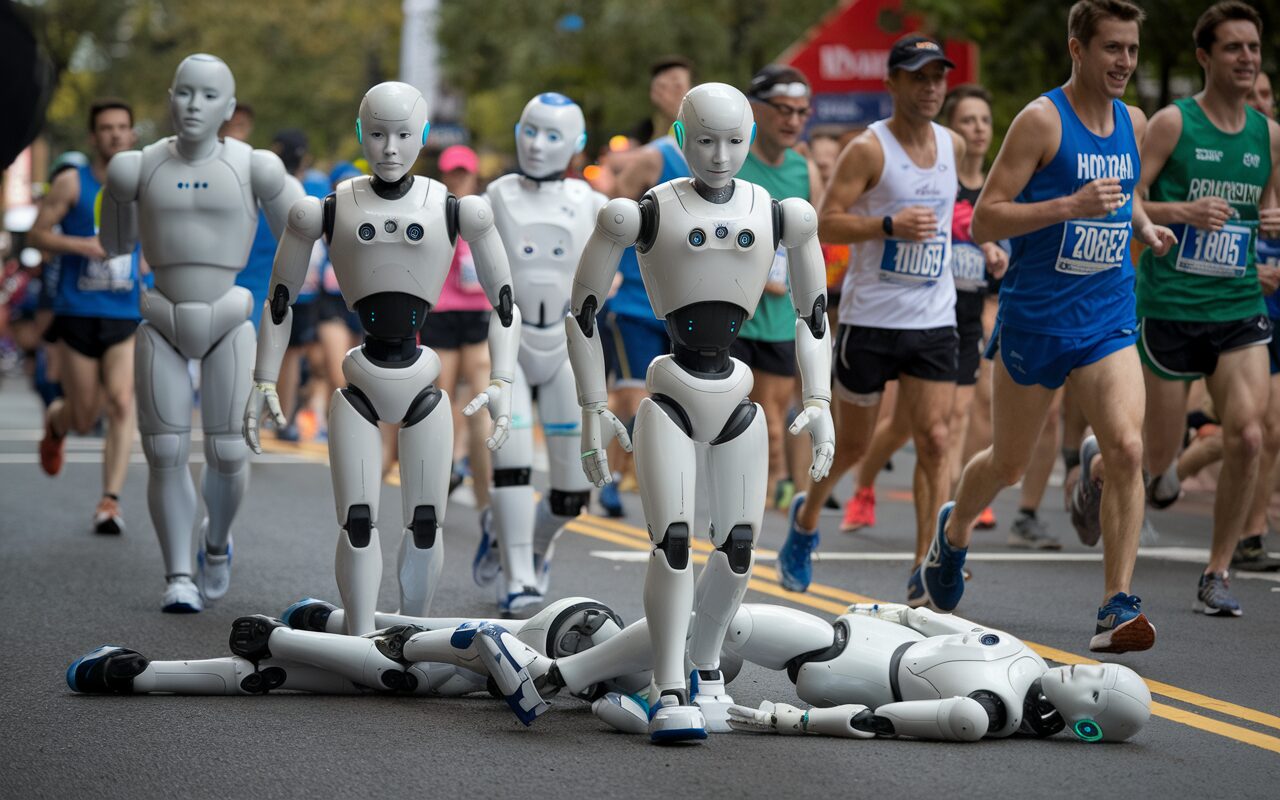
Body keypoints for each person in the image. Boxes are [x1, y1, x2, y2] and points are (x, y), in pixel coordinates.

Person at [565, 82, 834, 742]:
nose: (719, 155)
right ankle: (667, 684)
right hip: (672, 396)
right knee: (674, 542)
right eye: (705, 140)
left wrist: (820, 398)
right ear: (682, 138)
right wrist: (594, 403)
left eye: (734, 141)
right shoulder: (642, 213)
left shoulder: (781, 213)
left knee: (740, 548)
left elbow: (814, 314)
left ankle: (706, 664)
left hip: (734, 396)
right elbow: (584, 310)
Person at [916, 0, 1177, 654]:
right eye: (1112, 48)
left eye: (1132, 50)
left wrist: (1143, 225)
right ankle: (952, 534)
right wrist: (1068, 205)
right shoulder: (1040, 122)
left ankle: (1115, 606)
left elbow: (1128, 192)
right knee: (1006, 464)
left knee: (1125, 447)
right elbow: (984, 222)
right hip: (1036, 320)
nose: (1124, 62)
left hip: (1109, 314)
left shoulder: (1134, 121)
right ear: (1078, 48)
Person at [242, 81, 518, 636]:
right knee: (358, 521)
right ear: (360, 135)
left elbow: (504, 302)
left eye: (403, 135)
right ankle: (362, 631)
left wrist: (504, 378)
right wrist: (263, 377)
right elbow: (280, 299)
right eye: (378, 134)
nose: (390, 147)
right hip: (360, 379)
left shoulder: (457, 208)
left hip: (422, 378)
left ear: (422, 138)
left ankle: (412, 632)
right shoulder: (322, 209)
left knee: (425, 520)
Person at [99, 55, 303, 613]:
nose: (193, 106)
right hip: (161, 314)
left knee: (228, 452)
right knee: (164, 451)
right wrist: (119, 195)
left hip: (228, 316)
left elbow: (305, 230)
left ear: (230, 108)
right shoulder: (138, 166)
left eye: (208, 96)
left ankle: (216, 543)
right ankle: (178, 573)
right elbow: (114, 245)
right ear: (169, 98)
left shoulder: (255, 166)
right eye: (184, 93)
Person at [776, 35, 965, 597]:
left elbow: (962, 209)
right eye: (919, 76)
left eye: (938, 76)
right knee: (853, 446)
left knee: (934, 438)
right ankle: (807, 520)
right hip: (872, 318)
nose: (931, 87)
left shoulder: (953, 145)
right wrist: (887, 226)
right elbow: (825, 223)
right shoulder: (868, 149)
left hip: (934, 316)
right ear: (893, 83)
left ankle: (925, 568)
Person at [1134, 2, 1280, 614]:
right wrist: (1182, 213)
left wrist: (1272, 220)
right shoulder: (1173, 123)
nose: (1246, 58)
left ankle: (1218, 570)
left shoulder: (1268, 135)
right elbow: (1132, 200)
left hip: (1238, 305)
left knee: (1248, 435)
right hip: (1170, 305)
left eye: (1253, 47)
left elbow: (1265, 211)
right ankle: (1102, 468)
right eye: (1232, 48)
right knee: (1158, 464)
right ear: (1205, 56)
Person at [470, 95, 607, 613]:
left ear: (576, 145)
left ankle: (531, 544)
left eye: (552, 135)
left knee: (572, 492)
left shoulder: (593, 202)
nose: (535, 143)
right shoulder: (496, 195)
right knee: (512, 465)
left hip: (569, 345)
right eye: (529, 130)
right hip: (510, 339)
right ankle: (518, 575)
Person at [30, 99, 141, 535]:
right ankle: (56, 422)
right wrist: (83, 245)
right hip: (77, 313)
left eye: (122, 127)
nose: (115, 134)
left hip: (125, 314)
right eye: (106, 128)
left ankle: (109, 501)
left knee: (121, 401)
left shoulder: (143, 184)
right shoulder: (71, 184)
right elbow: (37, 234)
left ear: (132, 135)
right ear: (93, 137)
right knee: (82, 416)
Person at [733, 65, 826, 507]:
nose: (792, 120)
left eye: (801, 112)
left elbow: (812, 245)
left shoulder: (804, 171)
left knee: (768, 418)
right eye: (783, 110)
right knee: (733, 418)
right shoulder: (731, 160)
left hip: (776, 319)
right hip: (730, 311)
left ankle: (755, 510)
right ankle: (736, 502)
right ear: (755, 109)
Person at [425, 145, 493, 511]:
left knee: (480, 400)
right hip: (441, 310)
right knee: (441, 398)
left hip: (477, 311)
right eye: (453, 173)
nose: (458, 179)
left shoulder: (485, 210)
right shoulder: (434, 207)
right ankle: (443, 473)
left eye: (464, 173)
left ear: (474, 173)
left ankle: (484, 500)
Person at [1239, 71, 1280, 572]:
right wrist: (1251, 273)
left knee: (1266, 431)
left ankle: (1251, 531)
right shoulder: (1229, 166)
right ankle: (1158, 480)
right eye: (1251, 97)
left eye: (1267, 96)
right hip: (1219, 312)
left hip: (1273, 315)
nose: (1261, 105)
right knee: (1240, 431)